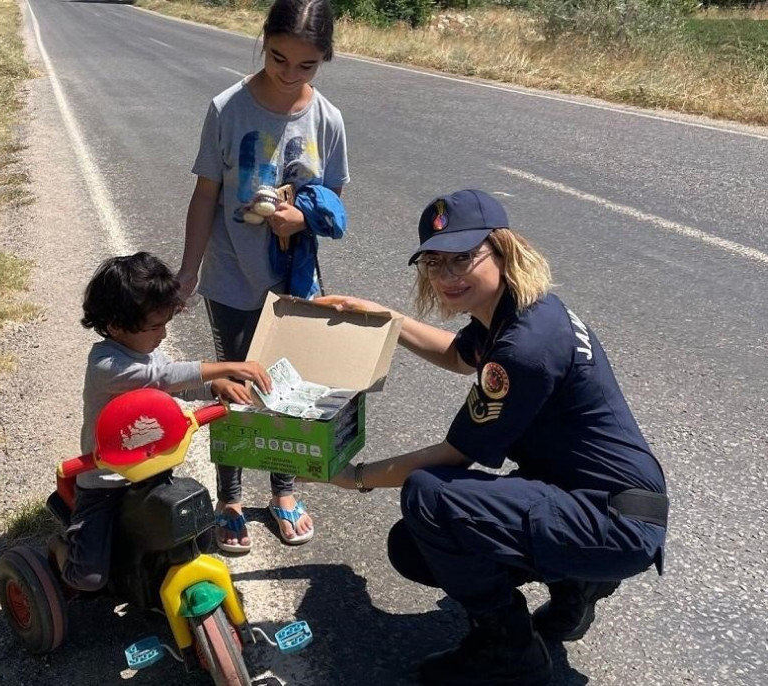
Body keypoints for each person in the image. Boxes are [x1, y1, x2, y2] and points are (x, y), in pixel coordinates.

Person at [314, 189, 668, 685]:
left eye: (464, 257)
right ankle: (578, 583)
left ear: (503, 251)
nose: (448, 276)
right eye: (435, 263)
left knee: (429, 498)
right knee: (414, 543)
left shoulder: (523, 346)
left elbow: (454, 456)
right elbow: (459, 356)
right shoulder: (523, 309)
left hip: (610, 518)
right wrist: (385, 318)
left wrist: (354, 476)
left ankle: (509, 648)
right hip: (610, 501)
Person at [177, 0, 349, 553]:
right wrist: (187, 272)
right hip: (232, 280)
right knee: (236, 389)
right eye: (278, 58)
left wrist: (301, 216)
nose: (290, 74)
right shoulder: (228, 108)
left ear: (323, 60)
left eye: (306, 66)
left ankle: (283, 490)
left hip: (294, 288)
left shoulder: (327, 119)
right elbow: (206, 195)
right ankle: (228, 496)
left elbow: (332, 200)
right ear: (263, 41)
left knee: (289, 390)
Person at [49, 252, 272, 592]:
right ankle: (61, 550)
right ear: (115, 326)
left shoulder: (148, 350)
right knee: (88, 579)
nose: (163, 334)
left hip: (151, 469)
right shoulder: (106, 365)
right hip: (106, 482)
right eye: (154, 326)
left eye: (165, 323)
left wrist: (214, 387)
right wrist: (226, 367)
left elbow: (175, 383)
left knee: (179, 531)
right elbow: (162, 378)